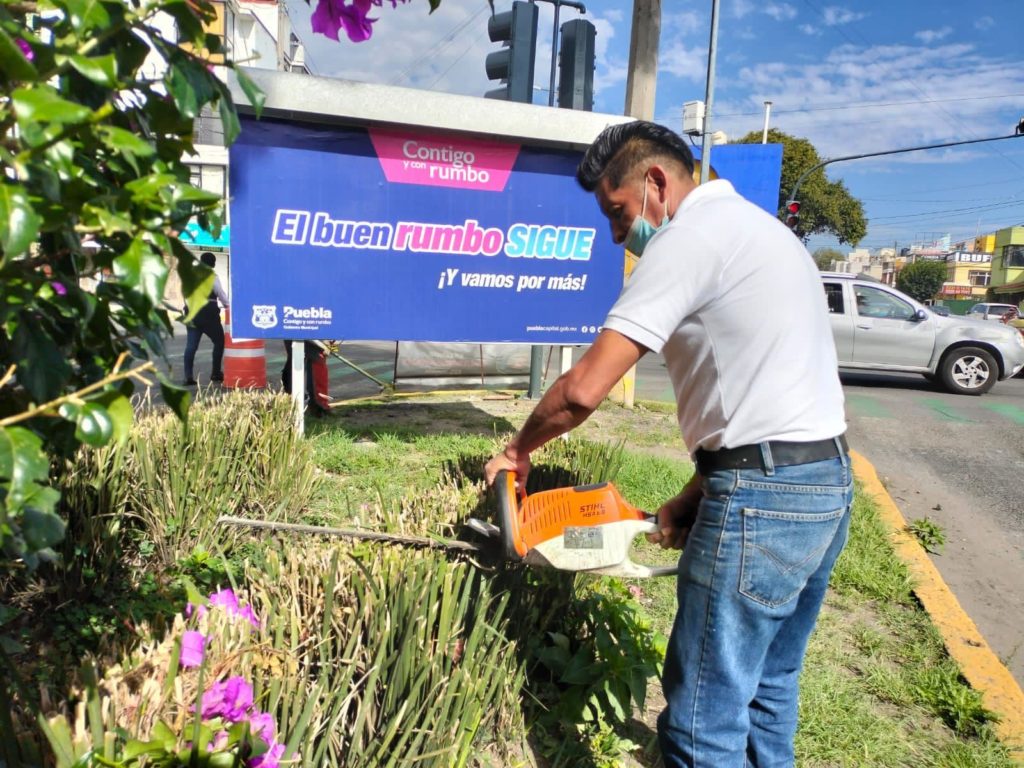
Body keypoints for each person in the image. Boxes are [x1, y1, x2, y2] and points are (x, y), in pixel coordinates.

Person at [484, 121, 852, 767]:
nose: (615, 234)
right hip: (825, 486)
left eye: (617, 212)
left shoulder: (689, 239)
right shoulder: (765, 233)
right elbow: (771, 396)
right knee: (768, 688)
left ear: (655, 183)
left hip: (765, 500)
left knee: (700, 721)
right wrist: (699, 487)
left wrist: (517, 453)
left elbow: (580, 391)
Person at [182, 251, 229, 386]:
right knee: (219, 342)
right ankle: (215, 373)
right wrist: (228, 306)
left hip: (192, 315)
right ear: (213, 263)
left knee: (191, 346)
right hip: (209, 316)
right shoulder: (212, 276)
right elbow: (221, 294)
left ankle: (188, 376)